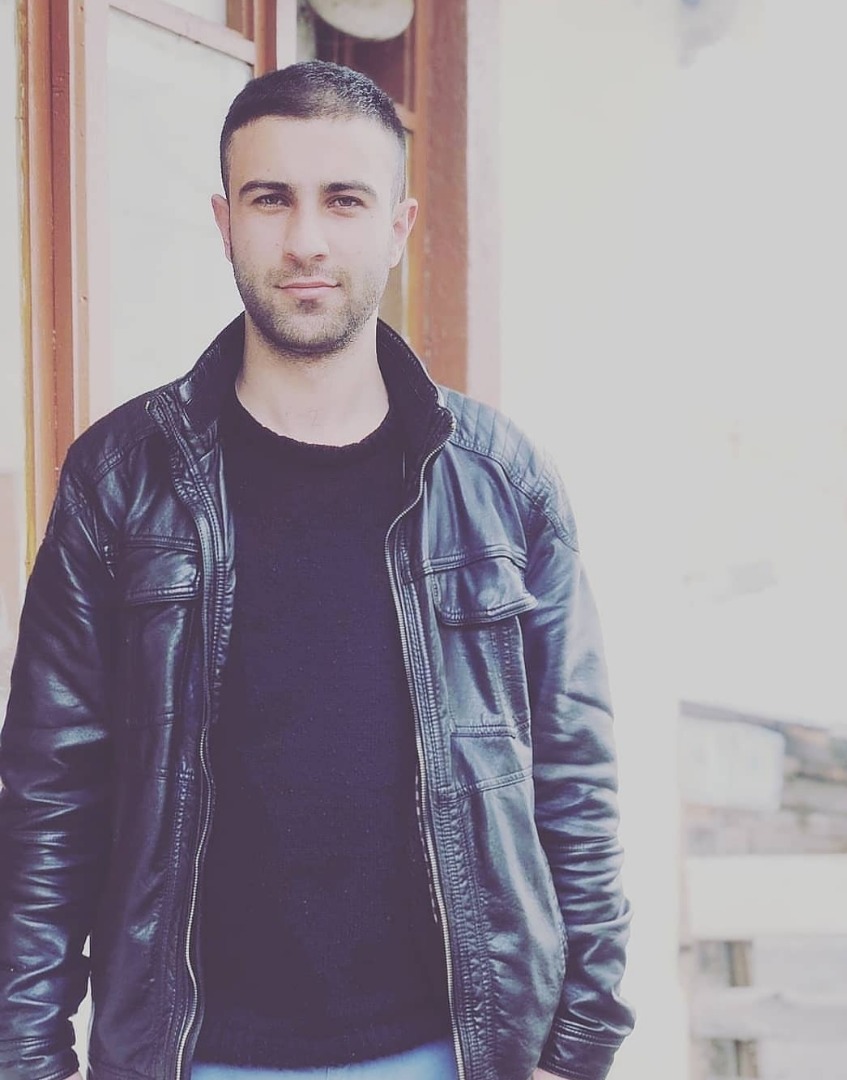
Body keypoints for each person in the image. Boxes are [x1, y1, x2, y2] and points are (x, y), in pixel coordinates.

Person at [0, 60, 634, 1080]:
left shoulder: (500, 482)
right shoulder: (119, 479)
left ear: (398, 225)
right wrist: (27, 1056)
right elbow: (49, 795)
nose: (305, 240)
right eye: (270, 199)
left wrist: (582, 1044)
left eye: (344, 200)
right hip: (193, 1056)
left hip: (452, 1051)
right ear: (224, 222)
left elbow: (573, 778)